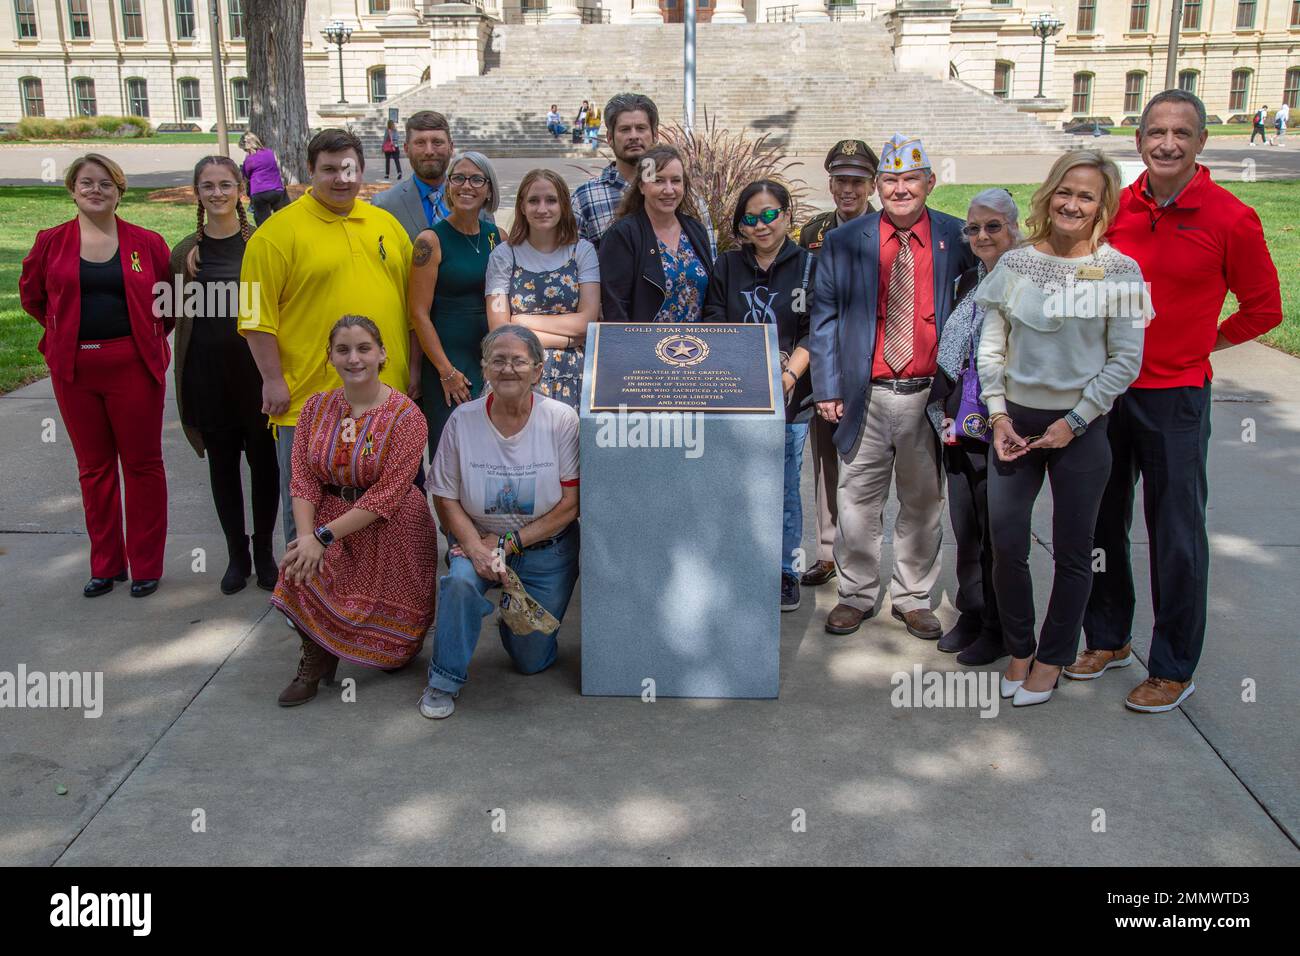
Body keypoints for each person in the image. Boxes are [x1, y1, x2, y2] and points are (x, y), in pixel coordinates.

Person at [1077, 90, 1283, 712]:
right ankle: (1108, 638)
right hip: (1106, 394)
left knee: (1175, 534)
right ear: (1138, 140)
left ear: (1201, 142)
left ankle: (1172, 665)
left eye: (1182, 133)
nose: (1167, 143)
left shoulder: (1230, 217)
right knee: (1101, 524)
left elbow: (1265, 308)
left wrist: (1201, 344)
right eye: (1156, 132)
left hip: (1175, 398)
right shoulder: (1114, 211)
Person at [977, 149, 1146, 708]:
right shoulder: (1016, 264)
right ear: (1050, 195)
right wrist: (998, 413)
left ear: (1103, 205)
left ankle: (1052, 659)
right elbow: (992, 345)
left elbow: (1125, 360)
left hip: (1080, 428)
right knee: (1006, 541)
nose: (1072, 204)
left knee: (1075, 552)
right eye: (1065, 192)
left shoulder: (1120, 271)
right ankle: (1020, 649)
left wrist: (1074, 422)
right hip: (1014, 423)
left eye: (1087, 195)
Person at [810, 134, 975, 640]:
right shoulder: (845, 240)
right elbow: (824, 317)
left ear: (930, 182)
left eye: (910, 179)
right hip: (868, 392)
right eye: (891, 180)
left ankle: (912, 595)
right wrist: (828, 387)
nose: (900, 189)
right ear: (878, 186)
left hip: (928, 394)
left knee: (923, 501)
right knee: (858, 498)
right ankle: (857, 592)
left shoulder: (957, 238)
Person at [240, 128, 416, 547]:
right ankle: (303, 601)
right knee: (307, 506)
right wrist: (272, 379)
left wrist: (414, 371)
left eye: (349, 168)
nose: (341, 179)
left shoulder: (386, 225)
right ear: (309, 172)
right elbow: (252, 317)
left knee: (385, 506)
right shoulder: (272, 235)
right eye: (329, 170)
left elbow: (411, 308)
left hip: (384, 399)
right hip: (306, 400)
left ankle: (372, 604)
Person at [19, 153, 171, 597]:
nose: (95, 190)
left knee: (143, 466)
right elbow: (32, 296)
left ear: (119, 191)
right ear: (72, 189)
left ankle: (145, 564)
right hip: (75, 370)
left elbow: (167, 303)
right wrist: (64, 332)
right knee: (94, 468)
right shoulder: (51, 242)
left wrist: (140, 339)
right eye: (86, 183)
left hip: (134, 368)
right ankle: (106, 564)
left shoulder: (147, 243)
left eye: (106, 183)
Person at [273, 316, 438, 706]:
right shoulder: (315, 407)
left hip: (393, 525)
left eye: (364, 348)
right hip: (329, 514)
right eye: (343, 350)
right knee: (298, 567)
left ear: (382, 353)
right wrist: (307, 537)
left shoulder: (407, 416)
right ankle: (317, 656)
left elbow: (387, 494)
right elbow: (303, 479)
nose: (354, 358)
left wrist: (323, 536)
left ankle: (378, 643)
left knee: (395, 656)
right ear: (330, 356)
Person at [419, 325, 580, 720]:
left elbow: (569, 505)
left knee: (530, 660)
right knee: (458, 583)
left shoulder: (561, 419)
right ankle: (443, 680)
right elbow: (445, 495)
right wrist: (475, 547)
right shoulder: (462, 420)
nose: (508, 369)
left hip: (544, 545)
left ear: (538, 371)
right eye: (498, 360)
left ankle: (511, 617)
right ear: (484, 369)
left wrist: (505, 543)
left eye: (519, 361)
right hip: (478, 538)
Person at [169, 156, 279, 594]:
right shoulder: (184, 254)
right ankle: (237, 555)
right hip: (207, 377)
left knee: (265, 466)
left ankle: (266, 552)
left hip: (257, 377)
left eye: (225, 185)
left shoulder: (263, 244)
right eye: (208, 186)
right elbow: (175, 315)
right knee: (222, 467)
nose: (217, 193)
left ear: (241, 190)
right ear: (197, 193)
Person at [703, 180, 815, 612]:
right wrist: (741, 370)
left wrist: (788, 376)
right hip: (736, 396)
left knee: (784, 487)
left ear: (787, 215)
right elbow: (713, 318)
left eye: (770, 214)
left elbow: (816, 330)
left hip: (790, 399)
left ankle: (785, 570)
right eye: (751, 218)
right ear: (741, 226)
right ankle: (740, 563)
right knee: (734, 485)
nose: (762, 224)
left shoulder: (808, 266)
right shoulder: (727, 267)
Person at [924, 189, 1018, 666]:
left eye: (993, 226)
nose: (981, 235)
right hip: (960, 421)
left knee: (998, 529)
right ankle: (974, 611)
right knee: (967, 525)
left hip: (1003, 421)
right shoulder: (969, 280)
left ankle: (1002, 626)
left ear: (1014, 230)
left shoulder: (1025, 280)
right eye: (973, 228)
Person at [795, 138, 879, 590]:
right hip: (824, 362)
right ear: (829, 183)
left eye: (857, 182)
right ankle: (827, 553)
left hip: (871, 365)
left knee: (869, 472)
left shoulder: (888, 228)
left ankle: (861, 557)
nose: (848, 190)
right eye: (840, 181)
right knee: (827, 464)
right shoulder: (813, 232)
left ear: (872, 185)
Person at [408, 151, 503, 456]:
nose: (467, 186)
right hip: (447, 363)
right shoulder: (430, 241)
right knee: (452, 452)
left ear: (488, 189)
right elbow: (418, 313)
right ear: (448, 186)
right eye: (459, 177)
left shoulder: (497, 236)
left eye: (477, 179)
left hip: (489, 356)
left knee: (491, 449)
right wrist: (445, 371)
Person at [486, 169, 599, 409]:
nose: (542, 208)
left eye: (551, 200)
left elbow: (588, 322)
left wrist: (521, 322)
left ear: (564, 206)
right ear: (522, 207)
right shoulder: (504, 255)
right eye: (533, 201)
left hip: (573, 374)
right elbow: (499, 330)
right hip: (517, 371)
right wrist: (569, 339)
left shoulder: (582, 251)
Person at [599, 144, 713, 324]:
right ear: (642, 187)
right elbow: (615, 308)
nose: (669, 190)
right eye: (658, 181)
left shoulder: (696, 230)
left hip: (695, 347)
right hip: (644, 348)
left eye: (675, 180)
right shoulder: (622, 235)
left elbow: (711, 300)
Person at [572, 93, 658, 247]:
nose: (633, 136)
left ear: (655, 135)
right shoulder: (584, 199)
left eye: (641, 128)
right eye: (624, 129)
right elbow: (571, 263)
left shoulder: (679, 193)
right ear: (610, 138)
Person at [372, 111, 464, 242]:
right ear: (406, 148)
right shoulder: (384, 205)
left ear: (451, 147)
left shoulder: (477, 201)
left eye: (437, 142)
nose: (429, 151)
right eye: (420, 143)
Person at [237, 133, 289, 226]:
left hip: (260, 192)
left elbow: (246, 175)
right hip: (277, 190)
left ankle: (265, 236)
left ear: (247, 147)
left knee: (263, 222)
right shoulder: (270, 152)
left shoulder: (249, 159)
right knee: (282, 217)